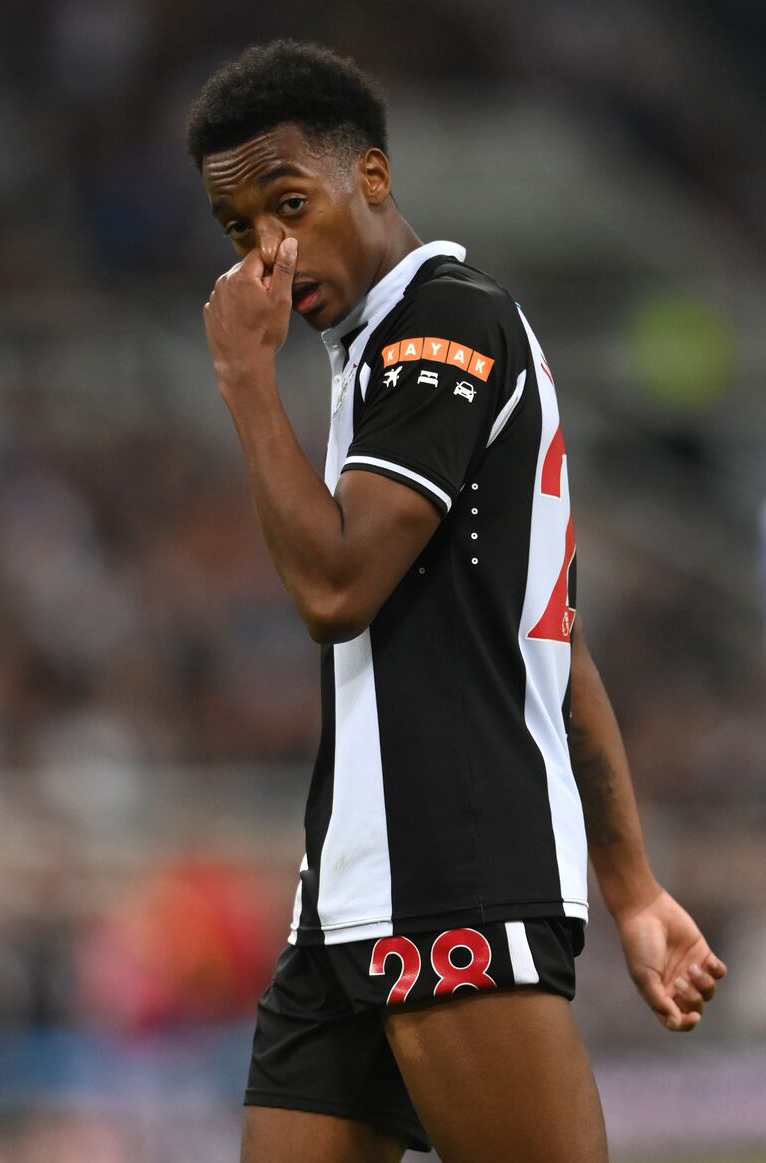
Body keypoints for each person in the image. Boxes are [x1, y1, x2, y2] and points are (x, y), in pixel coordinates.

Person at [186, 40, 727, 1163]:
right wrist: (627, 886)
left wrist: (245, 381)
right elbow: (549, 643)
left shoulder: (444, 324)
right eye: (239, 229)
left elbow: (335, 587)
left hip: (449, 873)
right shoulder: (369, 358)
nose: (268, 252)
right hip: (345, 888)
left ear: (369, 178)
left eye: (288, 204)